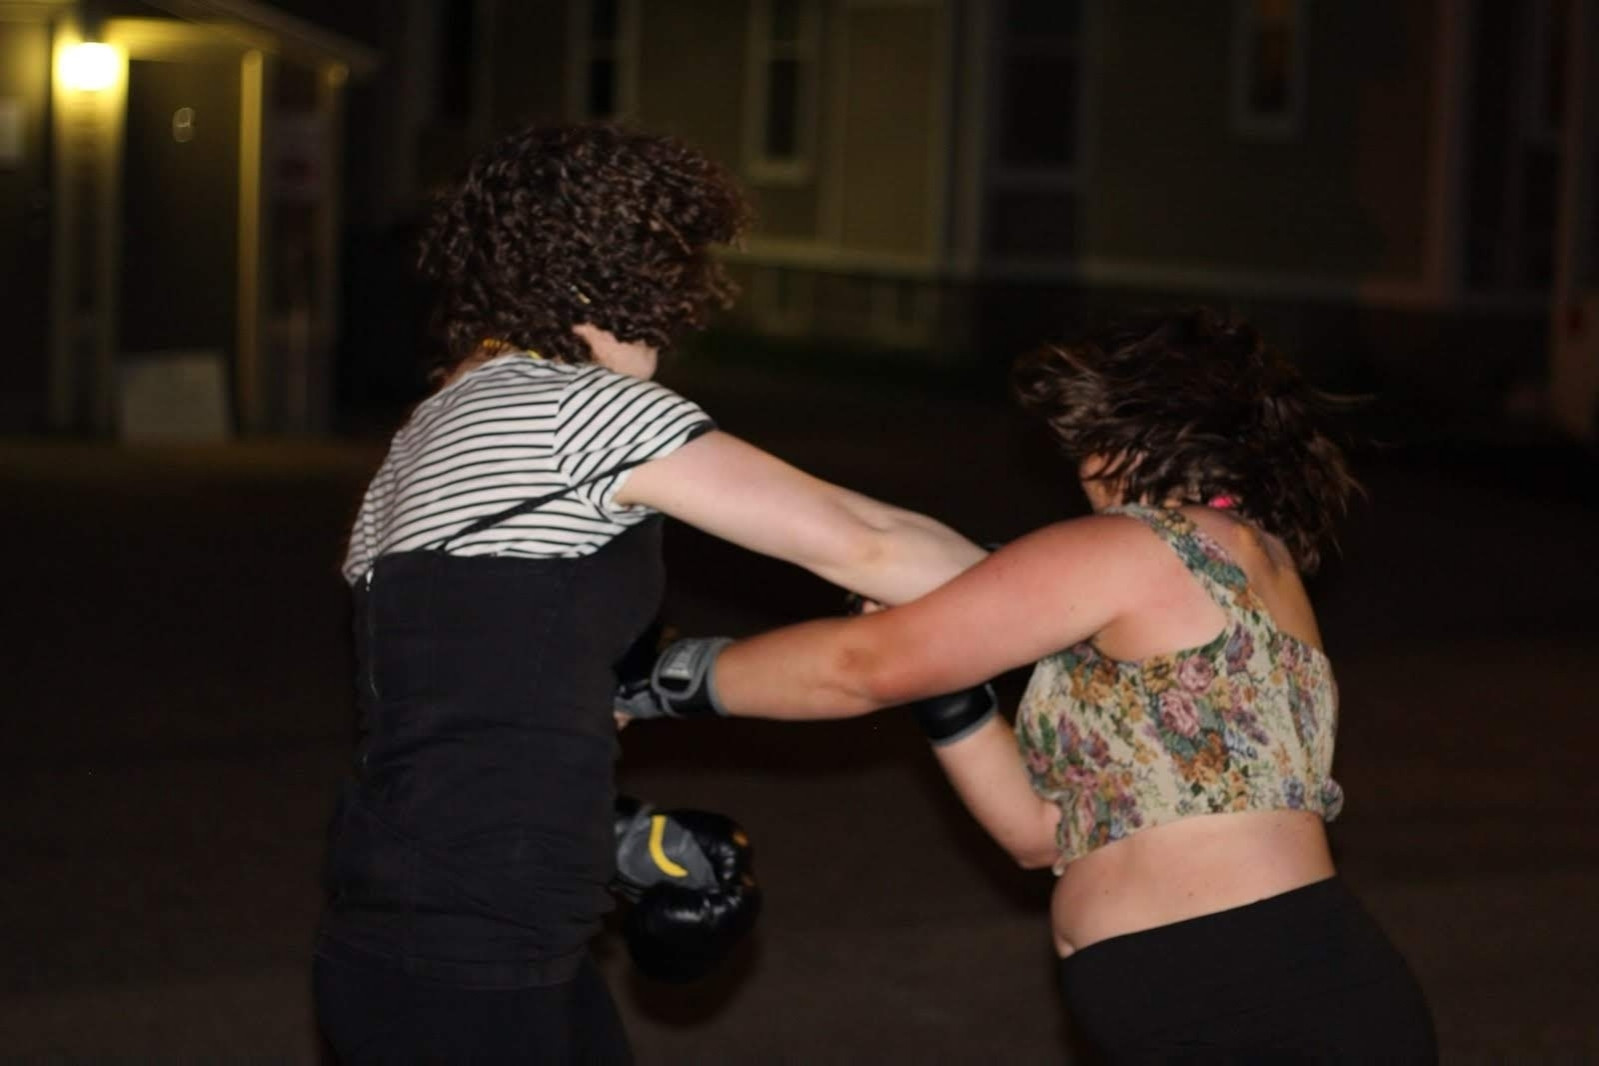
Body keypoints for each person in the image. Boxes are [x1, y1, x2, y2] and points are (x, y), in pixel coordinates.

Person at [311, 122, 986, 1064]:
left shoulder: (431, 433)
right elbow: (870, 544)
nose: (679, 311)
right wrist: (1082, 592)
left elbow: (500, 700)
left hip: (420, 929)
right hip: (480, 945)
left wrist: (612, 832)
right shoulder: (574, 408)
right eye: (669, 274)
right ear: (603, 273)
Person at [620, 309, 1439, 1062]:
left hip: (1244, 991)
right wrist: (948, 689)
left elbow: (858, 663)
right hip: (1252, 984)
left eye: (1081, 438)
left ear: (1127, 436)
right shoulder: (1240, 564)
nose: (1076, 467)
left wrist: (648, 681)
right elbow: (1038, 835)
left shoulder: (1143, 546)